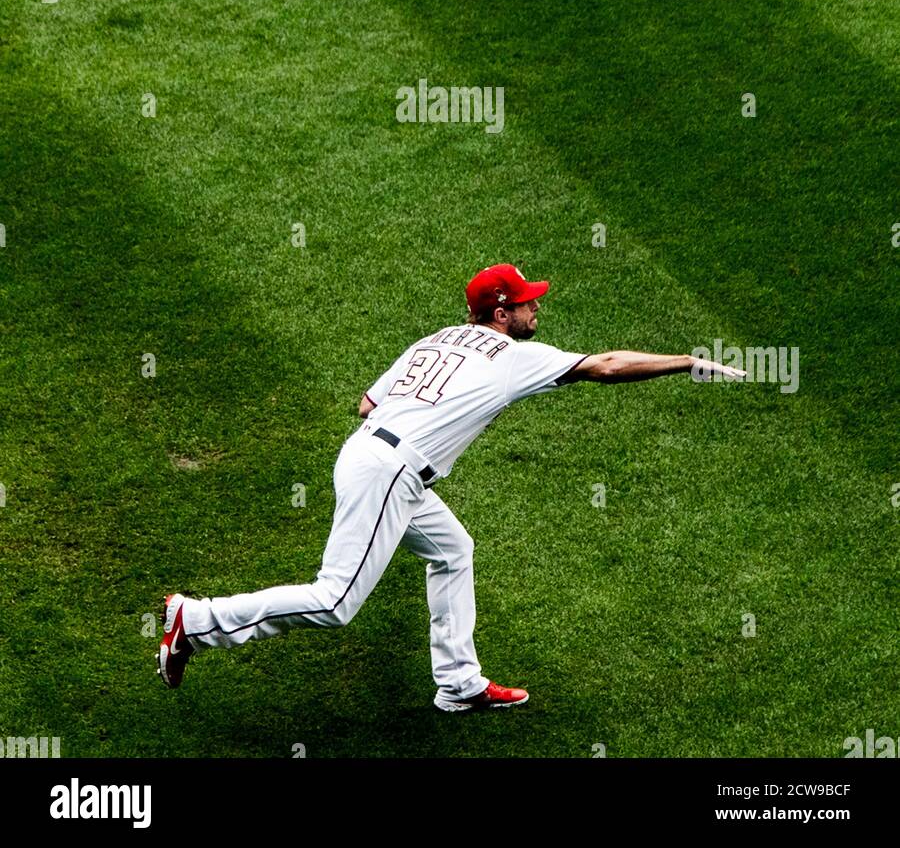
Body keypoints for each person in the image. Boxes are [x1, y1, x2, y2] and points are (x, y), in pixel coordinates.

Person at [157, 263, 743, 711]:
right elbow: (608, 365)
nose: (536, 312)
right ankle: (197, 620)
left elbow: (367, 404)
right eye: (527, 304)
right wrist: (687, 361)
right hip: (391, 472)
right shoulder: (514, 356)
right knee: (335, 602)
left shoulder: (435, 337)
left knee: (452, 549)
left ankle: (459, 684)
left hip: (371, 456)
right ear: (501, 312)